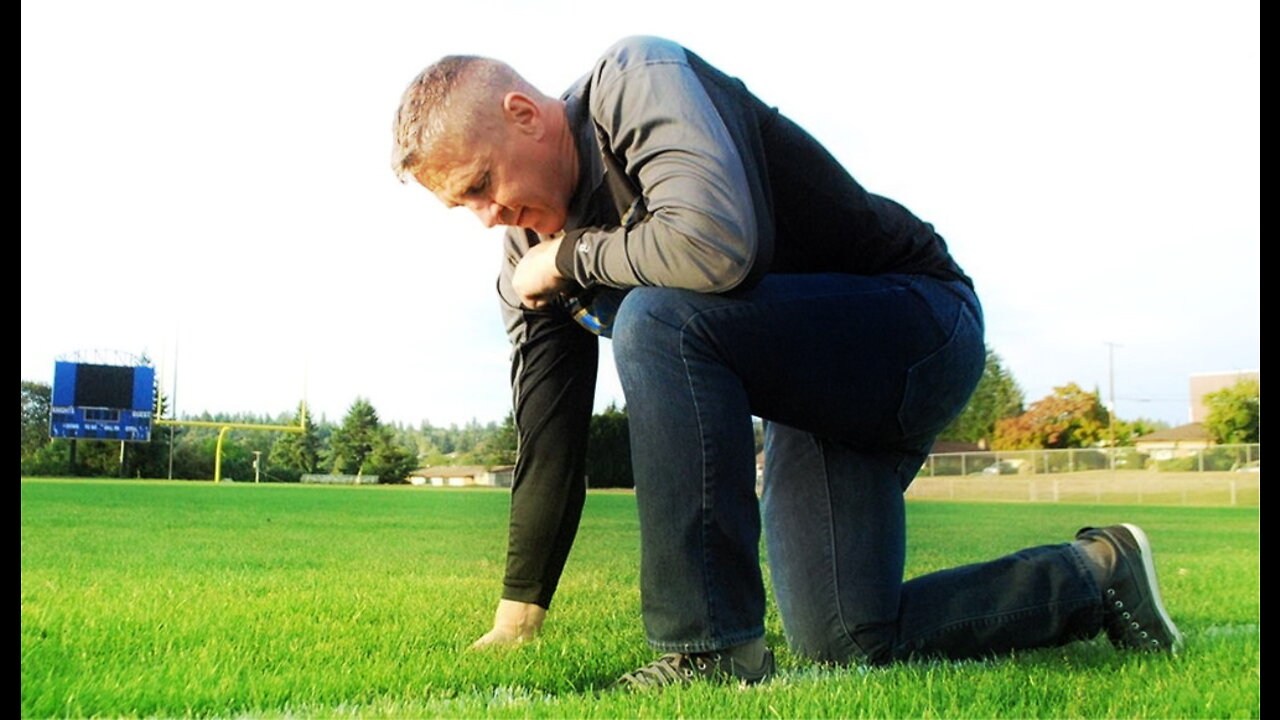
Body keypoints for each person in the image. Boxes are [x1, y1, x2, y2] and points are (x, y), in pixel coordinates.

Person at [390, 36, 1183, 688]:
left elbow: (715, 247)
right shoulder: (524, 254)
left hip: (914, 324)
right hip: (814, 396)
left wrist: (573, 253)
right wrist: (516, 616)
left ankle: (710, 649)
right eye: (464, 205)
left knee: (661, 316)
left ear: (524, 114)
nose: (487, 216)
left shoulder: (636, 83)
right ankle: (1096, 573)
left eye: (482, 184)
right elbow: (550, 436)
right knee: (847, 636)